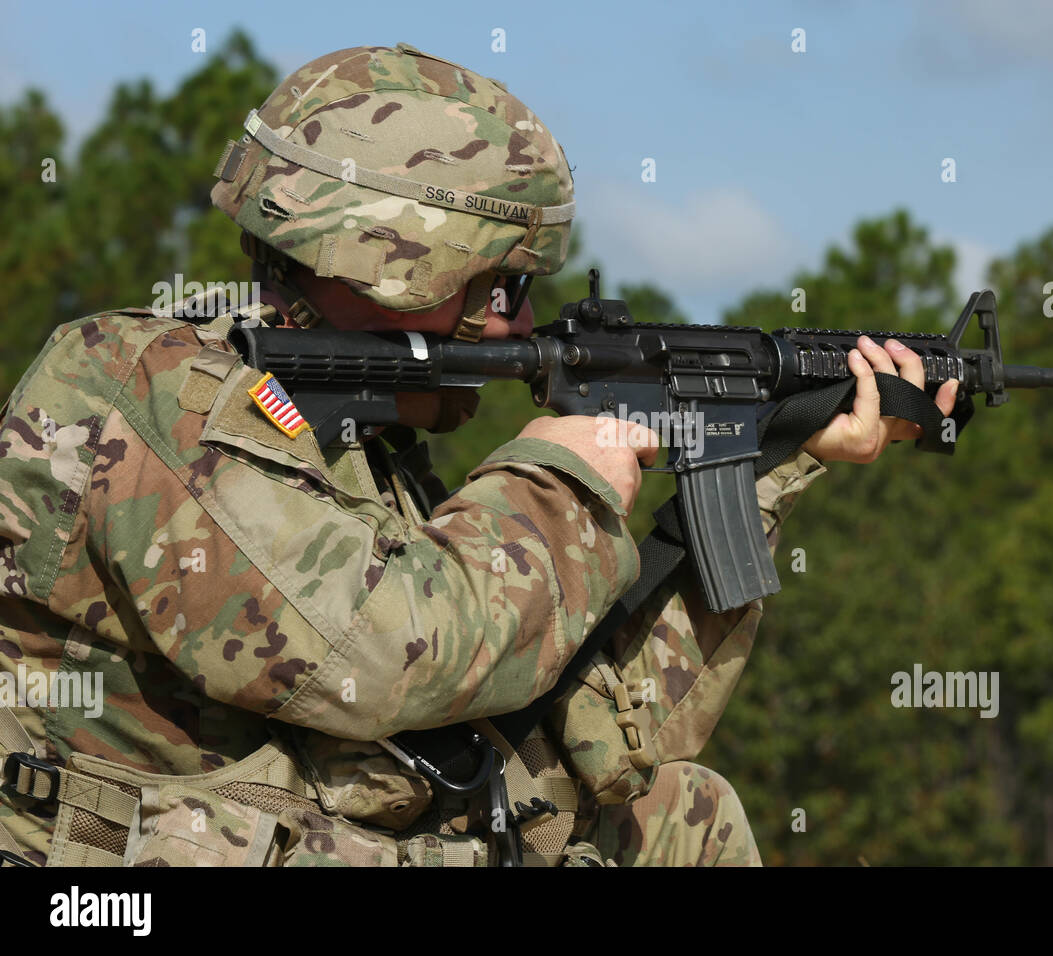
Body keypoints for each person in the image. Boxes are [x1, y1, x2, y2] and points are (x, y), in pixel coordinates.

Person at [0, 43, 958, 867]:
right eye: (498, 289)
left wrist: (764, 462)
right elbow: (375, 656)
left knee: (680, 818)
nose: (520, 326)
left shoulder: (357, 448)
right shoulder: (143, 387)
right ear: (404, 261)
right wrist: (561, 474)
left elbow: (607, 737)